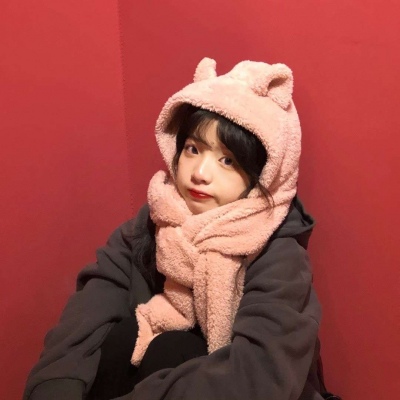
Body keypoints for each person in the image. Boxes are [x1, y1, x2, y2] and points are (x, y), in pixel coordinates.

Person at [24, 58, 337, 400]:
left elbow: (260, 375)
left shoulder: (278, 252)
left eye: (228, 160)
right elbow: (91, 307)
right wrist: (54, 386)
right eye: (193, 149)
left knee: (172, 349)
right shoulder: (157, 219)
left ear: (265, 171)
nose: (200, 173)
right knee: (124, 339)